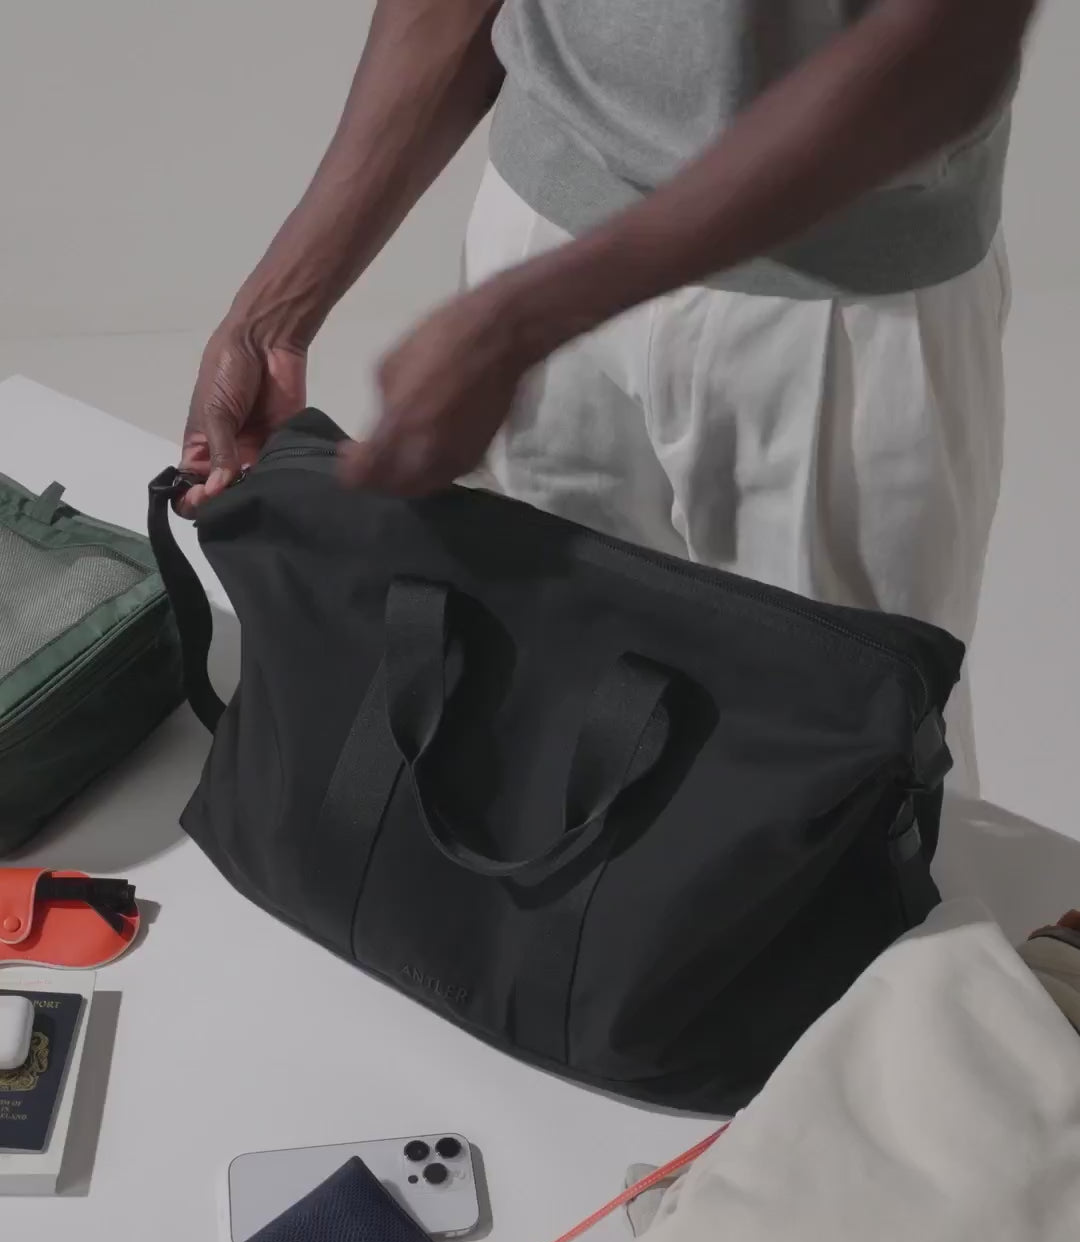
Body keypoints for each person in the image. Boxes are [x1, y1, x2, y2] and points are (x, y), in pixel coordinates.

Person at [179, 0, 1038, 795]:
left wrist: (527, 321)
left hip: (836, 302)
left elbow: (953, 49)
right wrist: (271, 319)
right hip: (539, 229)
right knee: (527, 745)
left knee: (858, 785)